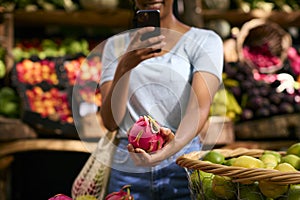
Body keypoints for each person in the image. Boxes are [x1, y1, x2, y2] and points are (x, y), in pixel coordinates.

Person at [99, 0, 224, 199]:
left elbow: (199, 107)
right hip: (128, 167)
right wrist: (125, 66)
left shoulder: (205, 40)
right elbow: (110, 121)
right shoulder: (116, 46)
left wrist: (168, 152)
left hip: (183, 161)